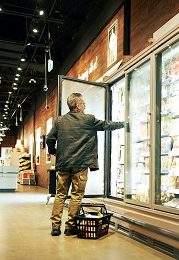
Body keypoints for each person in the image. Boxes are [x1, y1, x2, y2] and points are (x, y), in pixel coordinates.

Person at [46, 93, 124, 236]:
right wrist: (123, 124)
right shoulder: (89, 119)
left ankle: (55, 227)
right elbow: (106, 125)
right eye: (84, 104)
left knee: (60, 194)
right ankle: (70, 227)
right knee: (76, 195)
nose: (85, 106)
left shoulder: (59, 121)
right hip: (80, 164)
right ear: (78, 105)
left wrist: (54, 152)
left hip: (63, 164)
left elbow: (50, 138)